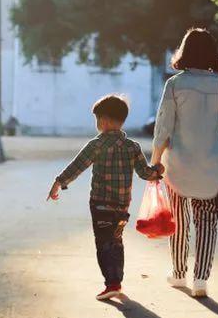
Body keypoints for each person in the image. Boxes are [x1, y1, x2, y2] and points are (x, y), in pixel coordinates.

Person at [47, 94, 164, 300]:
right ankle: (116, 282)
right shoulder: (133, 147)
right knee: (116, 242)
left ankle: (111, 284)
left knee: (103, 243)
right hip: (121, 207)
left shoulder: (97, 145)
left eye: (97, 119)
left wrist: (59, 182)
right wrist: (157, 170)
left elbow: (77, 166)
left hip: (101, 205)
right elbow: (145, 173)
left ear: (104, 120)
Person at [151, 28, 218, 298]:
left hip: (178, 164)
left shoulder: (175, 84)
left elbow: (163, 128)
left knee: (179, 220)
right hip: (213, 163)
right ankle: (201, 279)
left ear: (184, 52)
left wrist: (154, 162)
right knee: (207, 221)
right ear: (214, 54)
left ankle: (179, 273)